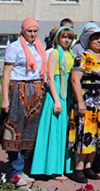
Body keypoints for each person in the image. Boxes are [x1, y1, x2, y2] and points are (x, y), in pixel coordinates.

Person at [0, 17, 47, 187]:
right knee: (15, 131)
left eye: (35, 31)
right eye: (29, 31)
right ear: (23, 31)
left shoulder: (40, 47)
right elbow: (6, 74)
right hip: (18, 91)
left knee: (29, 132)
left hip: (36, 91)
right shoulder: (14, 47)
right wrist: (5, 98)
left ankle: (23, 168)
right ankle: (15, 171)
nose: (32, 34)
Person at [68, 27, 100, 184]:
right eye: (96, 38)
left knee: (97, 135)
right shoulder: (82, 57)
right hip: (87, 101)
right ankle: (78, 168)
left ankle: (89, 166)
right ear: (89, 41)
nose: (99, 41)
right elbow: (75, 80)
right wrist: (80, 101)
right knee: (84, 135)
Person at [32, 26, 75, 180]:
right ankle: (53, 168)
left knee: (65, 131)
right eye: (64, 37)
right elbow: (50, 77)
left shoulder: (70, 53)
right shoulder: (55, 54)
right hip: (57, 91)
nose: (67, 40)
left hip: (68, 90)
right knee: (55, 131)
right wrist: (57, 100)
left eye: (69, 37)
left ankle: (64, 166)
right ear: (58, 38)